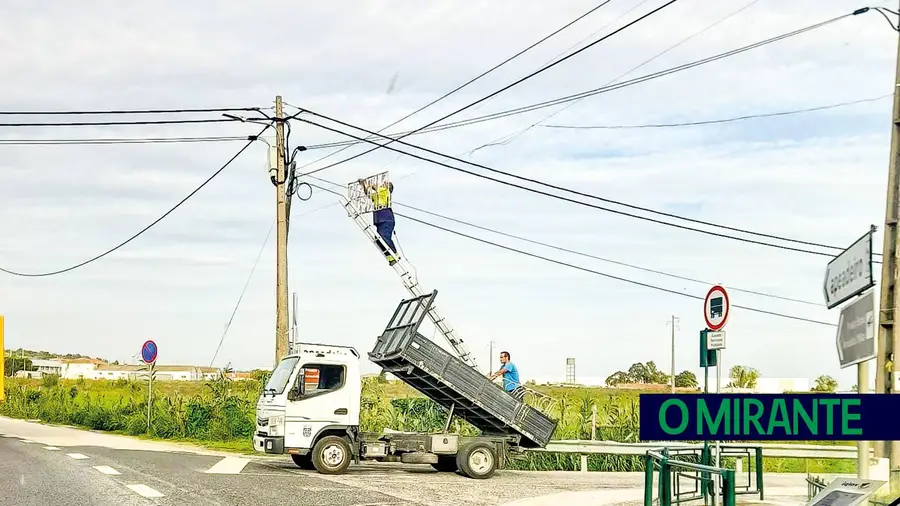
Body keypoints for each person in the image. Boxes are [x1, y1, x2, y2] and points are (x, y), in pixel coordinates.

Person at [357, 178, 398, 266]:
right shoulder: (379, 195)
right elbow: (368, 194)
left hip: (386, 218)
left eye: (385, 183)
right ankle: (390, 257)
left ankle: (394, 254)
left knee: (384, 237)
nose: (382, 184)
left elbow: (374, 187)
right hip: (380, 219)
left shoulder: (385, 191)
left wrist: (365, 183)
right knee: (378, 239)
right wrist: (364, 185)